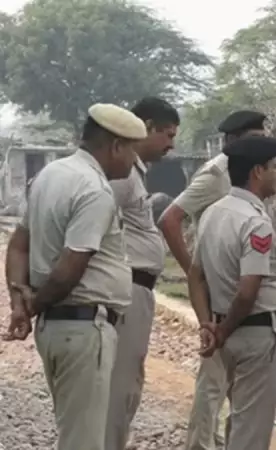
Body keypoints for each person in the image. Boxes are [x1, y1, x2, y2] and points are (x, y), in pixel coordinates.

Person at [3, 103, 145, 450]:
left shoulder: (50, 175)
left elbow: (18, 245)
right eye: (132, 151)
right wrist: (31, 306)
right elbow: (69, 269)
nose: (134, 162)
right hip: (83, 329)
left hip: (58, 328)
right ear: (116, 146)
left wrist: (19, 302)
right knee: (83, 442)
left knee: (74, 432)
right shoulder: (94, 190)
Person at [158, 110, 267, 450]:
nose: (262, 146)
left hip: (241, 281)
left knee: (234, 382)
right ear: (232, 142)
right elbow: (170, 219)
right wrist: (195, 272)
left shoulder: (249, 175)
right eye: (255, 139)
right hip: (222, 287)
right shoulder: (216, 175)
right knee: (214, 378)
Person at [188, 135, 276, 450]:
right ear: (258, 171)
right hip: (257, 333)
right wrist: (221, 331)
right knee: (250, 431)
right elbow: (247, 292)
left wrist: (208, 325)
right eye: (274, 167)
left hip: (225, 329)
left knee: (238, 424)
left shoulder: (212, 213)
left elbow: (195, 276)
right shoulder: (255, 222)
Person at [105, 97, 180, 450]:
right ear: (146, 127)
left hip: (137, 289)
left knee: (128, 382)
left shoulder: (134, 173)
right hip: (127, 288)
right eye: (168, 135)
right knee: (118, 387)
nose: (171, 145)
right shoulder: (121, 176)